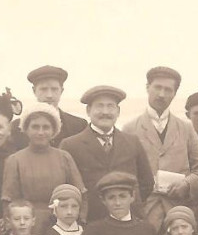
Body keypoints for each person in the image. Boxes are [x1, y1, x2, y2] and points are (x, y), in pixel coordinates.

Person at [121, 66, 198, 231]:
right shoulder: (130, 128)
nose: (162, 94)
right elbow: (123, 173)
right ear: (147, 88)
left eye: (168, 89)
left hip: (178, 214)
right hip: (143, 212)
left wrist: (187, 184)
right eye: (157, 87)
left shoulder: (186, 128)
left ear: (174, 93)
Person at [60, 85, 155, 222]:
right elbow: (66, 187)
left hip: (130, 219)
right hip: (90, 220)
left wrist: (130, 205)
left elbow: (147, 183)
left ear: (118, 111)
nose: (105, 112)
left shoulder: (132, 141)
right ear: (88, 110)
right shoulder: (70, 145)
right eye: (99, 106)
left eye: (110, 106)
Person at [2, 102, 87, 235]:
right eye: (35, 127)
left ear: (54, 130)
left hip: (62, 225)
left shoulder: (64, 157)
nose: (40, 132)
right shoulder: (15, 160)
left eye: (46, 127)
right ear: (26, 129)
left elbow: (80, 194)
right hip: (28, 226)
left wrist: (78, 224)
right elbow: (9, 200)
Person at [26, 65, 89, 146]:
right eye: (43, 89)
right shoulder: (17, 127)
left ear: (61, 91)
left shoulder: (79, 125)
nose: (49, 95)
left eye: (54, 89)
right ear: (34, 91)